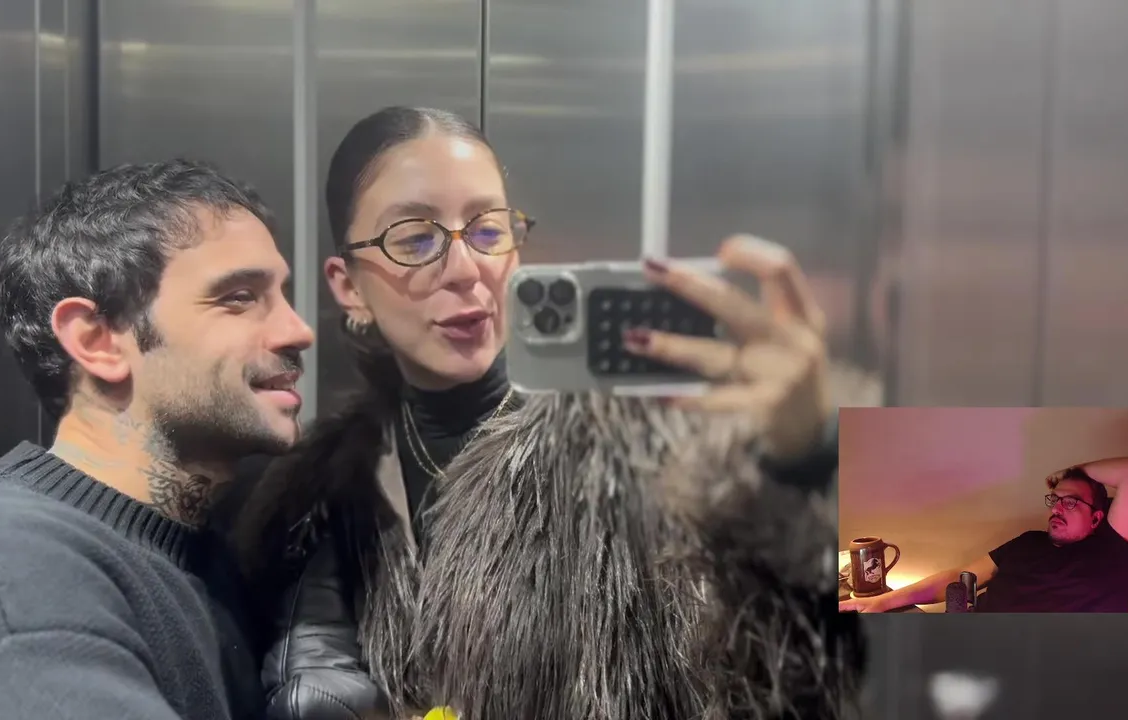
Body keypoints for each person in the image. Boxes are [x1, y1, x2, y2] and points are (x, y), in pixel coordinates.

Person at [230, 106, 861, 719]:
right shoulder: (318, 498)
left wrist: (815, 452)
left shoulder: (650, 432)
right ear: (349, 286)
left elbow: (918, 589)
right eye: (415, 238)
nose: (465, 269)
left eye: (488, 230)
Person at [0, 159, 314, 719]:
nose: (298, 330)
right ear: (98, 341)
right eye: (238, 297)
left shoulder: (209, 561)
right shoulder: (6, 563)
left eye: (282, 294)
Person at [840, 456, 1128, 614]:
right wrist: (883, 602)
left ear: (1096, 518)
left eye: (1070, 502)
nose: (1057, 508)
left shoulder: (1112, 551)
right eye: (1055, 499)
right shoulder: (1029, 541)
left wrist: (1073, 470)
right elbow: (960, 579)